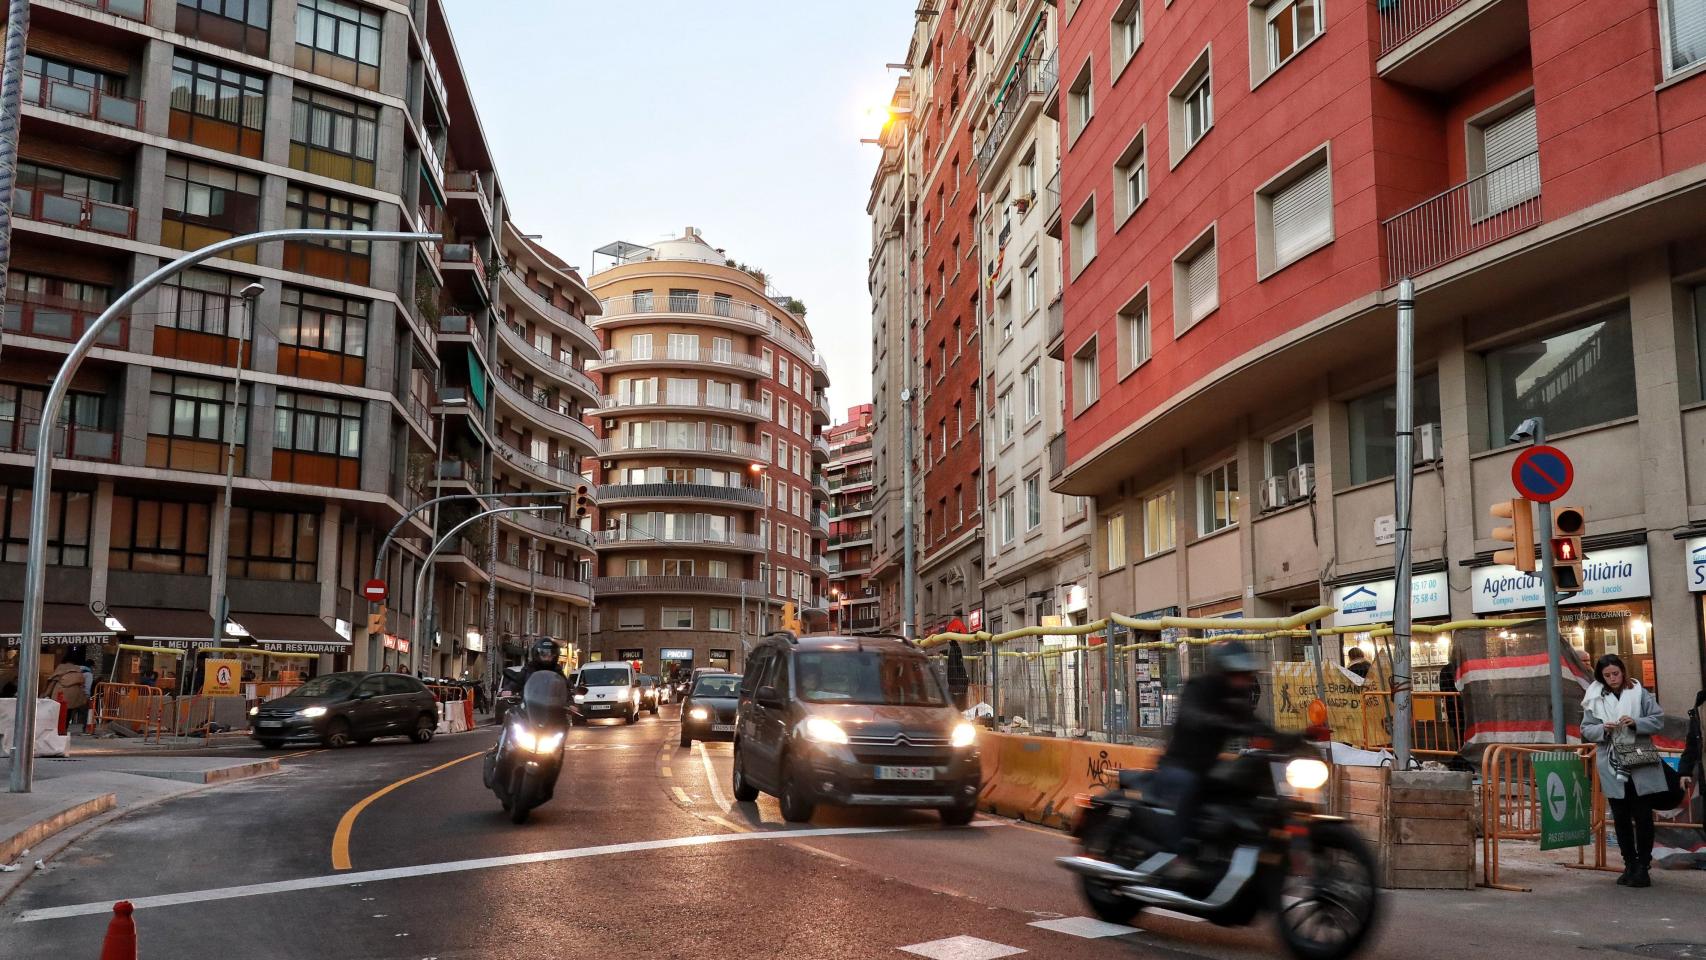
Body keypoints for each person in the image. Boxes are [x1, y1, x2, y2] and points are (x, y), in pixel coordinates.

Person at [1152, 641, 1275, 868]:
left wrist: (1295, 736)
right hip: (1179, 765)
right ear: (1223, 671)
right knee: (1190, 784)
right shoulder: (1198, 687)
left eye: (1246, 673)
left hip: (1207, 766)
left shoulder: (1236, 698)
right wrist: (1219, 722)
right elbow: (1191, 714)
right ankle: (1181, 856)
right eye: (1238, 673)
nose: (1243, 679)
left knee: (1239, 786)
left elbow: (1256, 724)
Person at [1581, 654, 1667, 888]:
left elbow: (1658, 719)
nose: (1612, 679)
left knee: (1642, 815)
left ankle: (1643, 865)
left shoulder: (1639, 691)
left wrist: (1636, 722)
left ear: (1622, 671)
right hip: (1611, 762)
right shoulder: (1594, 697)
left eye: (1615, 674)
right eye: (1607, 675)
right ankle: (1629, 863)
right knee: (1620, 816)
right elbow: (1586, 729)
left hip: (1639, 759)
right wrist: (1603, 728)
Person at [945, 637, 970, 711]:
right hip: (958, 686)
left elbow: (953, 669)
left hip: (957, 686)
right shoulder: (955, 652)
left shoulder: (953, 652)